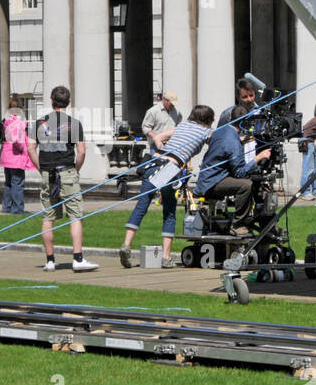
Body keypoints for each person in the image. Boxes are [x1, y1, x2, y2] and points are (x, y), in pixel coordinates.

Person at [120, 104, 215, 268]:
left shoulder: (181, 126)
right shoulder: (206, 131)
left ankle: (126, 245)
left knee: (141, 205)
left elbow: (157, 137)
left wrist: (163, 151)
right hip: (170, 168)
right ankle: (165, 257)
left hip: (153, 162)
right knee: (169, 211)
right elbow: (218, 140)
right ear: (208, 120)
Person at [29, 85, 97, 272]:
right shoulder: (74, 124)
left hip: (47, 173)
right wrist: (76, 169)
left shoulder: (39, 123)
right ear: (67, 103)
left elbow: (30, 148)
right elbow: (81, 151)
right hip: (66, 170)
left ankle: (50, 260)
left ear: (51, 101)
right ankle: (77, 258)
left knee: (48, 217)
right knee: (75, 215)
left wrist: (41, 167)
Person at [195, 116, 273, 232]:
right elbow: (239, 173)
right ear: (244, 123)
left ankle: (266, 224)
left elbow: (224, 145)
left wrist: (241, 140)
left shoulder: (222, 131)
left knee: (257, 183)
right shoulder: (233, 143)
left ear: (231, 118)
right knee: (245, 185)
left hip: (211, 177)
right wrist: (258, 157)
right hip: (212, 182)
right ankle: (237, 224)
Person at [0, 96, 35, 214]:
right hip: (16, 157)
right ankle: (18, 209)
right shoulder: (18, 122)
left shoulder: (7, 120)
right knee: (18, 183)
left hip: (6, 156)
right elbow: (18, 140)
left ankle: (7, 207)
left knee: (9, 183)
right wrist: (26, 149)